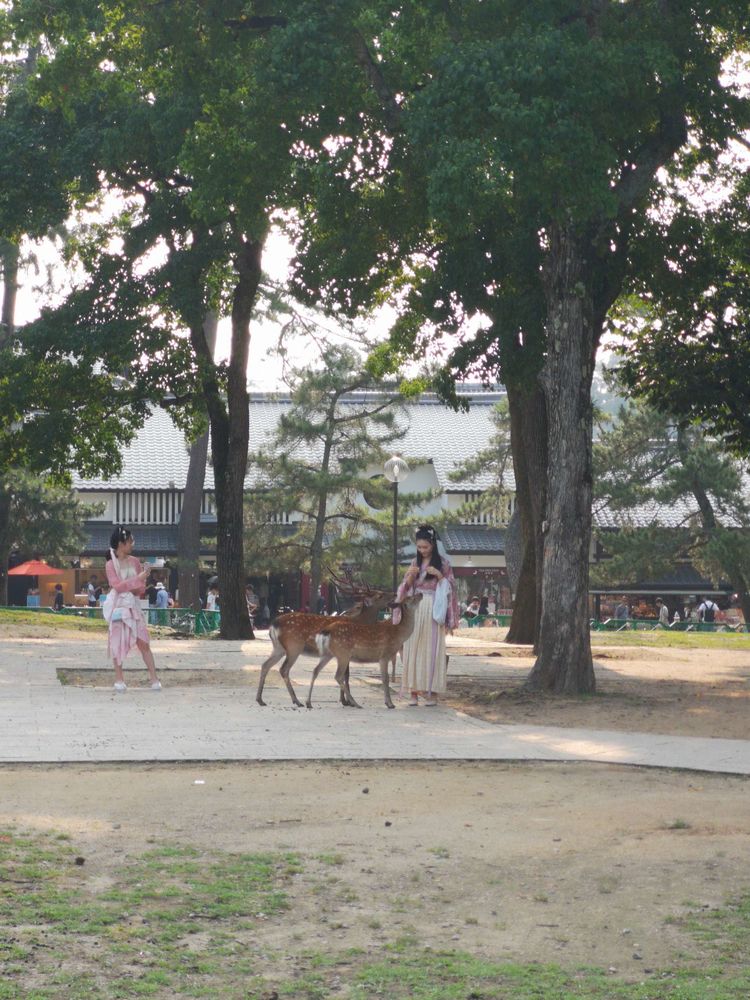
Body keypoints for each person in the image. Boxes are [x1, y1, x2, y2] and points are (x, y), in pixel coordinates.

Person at [395, 524, 459, 707]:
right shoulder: (415, 563)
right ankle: (413, 692)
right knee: (412, 648)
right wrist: (408, 578)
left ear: (433, 545)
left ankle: (431, 692)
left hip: (433, 609)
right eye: (419, 547)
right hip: (415, 608)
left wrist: (440, 576)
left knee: (432, 649)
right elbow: (405, 589)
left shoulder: (444, 564)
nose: (422, 550)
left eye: (426, 547)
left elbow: (452, 588)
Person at [103, 526, 161, 693]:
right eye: (130, 541)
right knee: (117, 642)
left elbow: (140, 588)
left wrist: (138, 582)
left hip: (133, 604)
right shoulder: (110, 564)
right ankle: (119, 679)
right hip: (119, 606)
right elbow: (117, 586)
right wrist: (137, 579)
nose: (132, 544)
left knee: (143, 641)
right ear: (121, 543)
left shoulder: (135, 561)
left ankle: (154, 678)